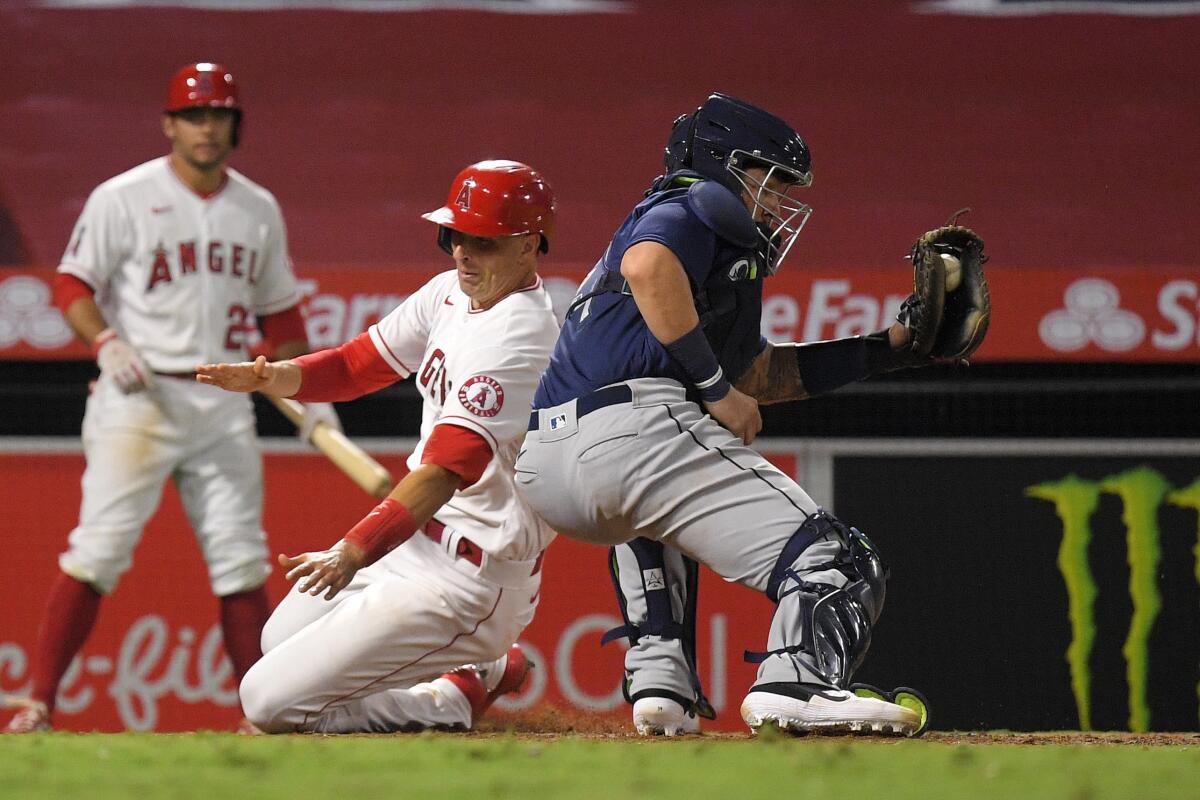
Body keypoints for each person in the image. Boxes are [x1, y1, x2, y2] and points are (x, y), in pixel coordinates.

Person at [515, 93, 935, 736]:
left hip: (550, 462)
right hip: (632, 432)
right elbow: (649, 267)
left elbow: (761, 377)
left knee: (646, 509)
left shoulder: (712, 258)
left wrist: (893, 349)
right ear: (721, 162)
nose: (777, 201)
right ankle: (799, 683)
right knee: (838, 559)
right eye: (768, 179)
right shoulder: (696, 201)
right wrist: (712, 389)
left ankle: (661, 679)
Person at [2, 63, 337, 734]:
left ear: (234, 126)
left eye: (218, 115)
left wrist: (312, 389)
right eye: (194, 115)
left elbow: (281, 317)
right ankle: (39, 700)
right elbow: (72, 286)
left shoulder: (257, 208)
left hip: (222, 399)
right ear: (170, 124)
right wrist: (105, 343)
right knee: (98, 550)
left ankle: (257, 714)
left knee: (241, 557)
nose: (206, 127)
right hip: (140, 395)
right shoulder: (123, 196)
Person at [193, 160, 560, 734]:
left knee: (267, 704)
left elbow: (443, 472)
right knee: (277, 640)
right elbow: (358, 365)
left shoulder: (520, 337)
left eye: (482, 241)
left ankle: (451, 700)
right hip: (418, 544)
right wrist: (272, 376)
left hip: (472, 578)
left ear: (529, 245)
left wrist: (352, 551)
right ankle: (477, 670)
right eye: (453, 235)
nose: (462, 253)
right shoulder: (451, 292)